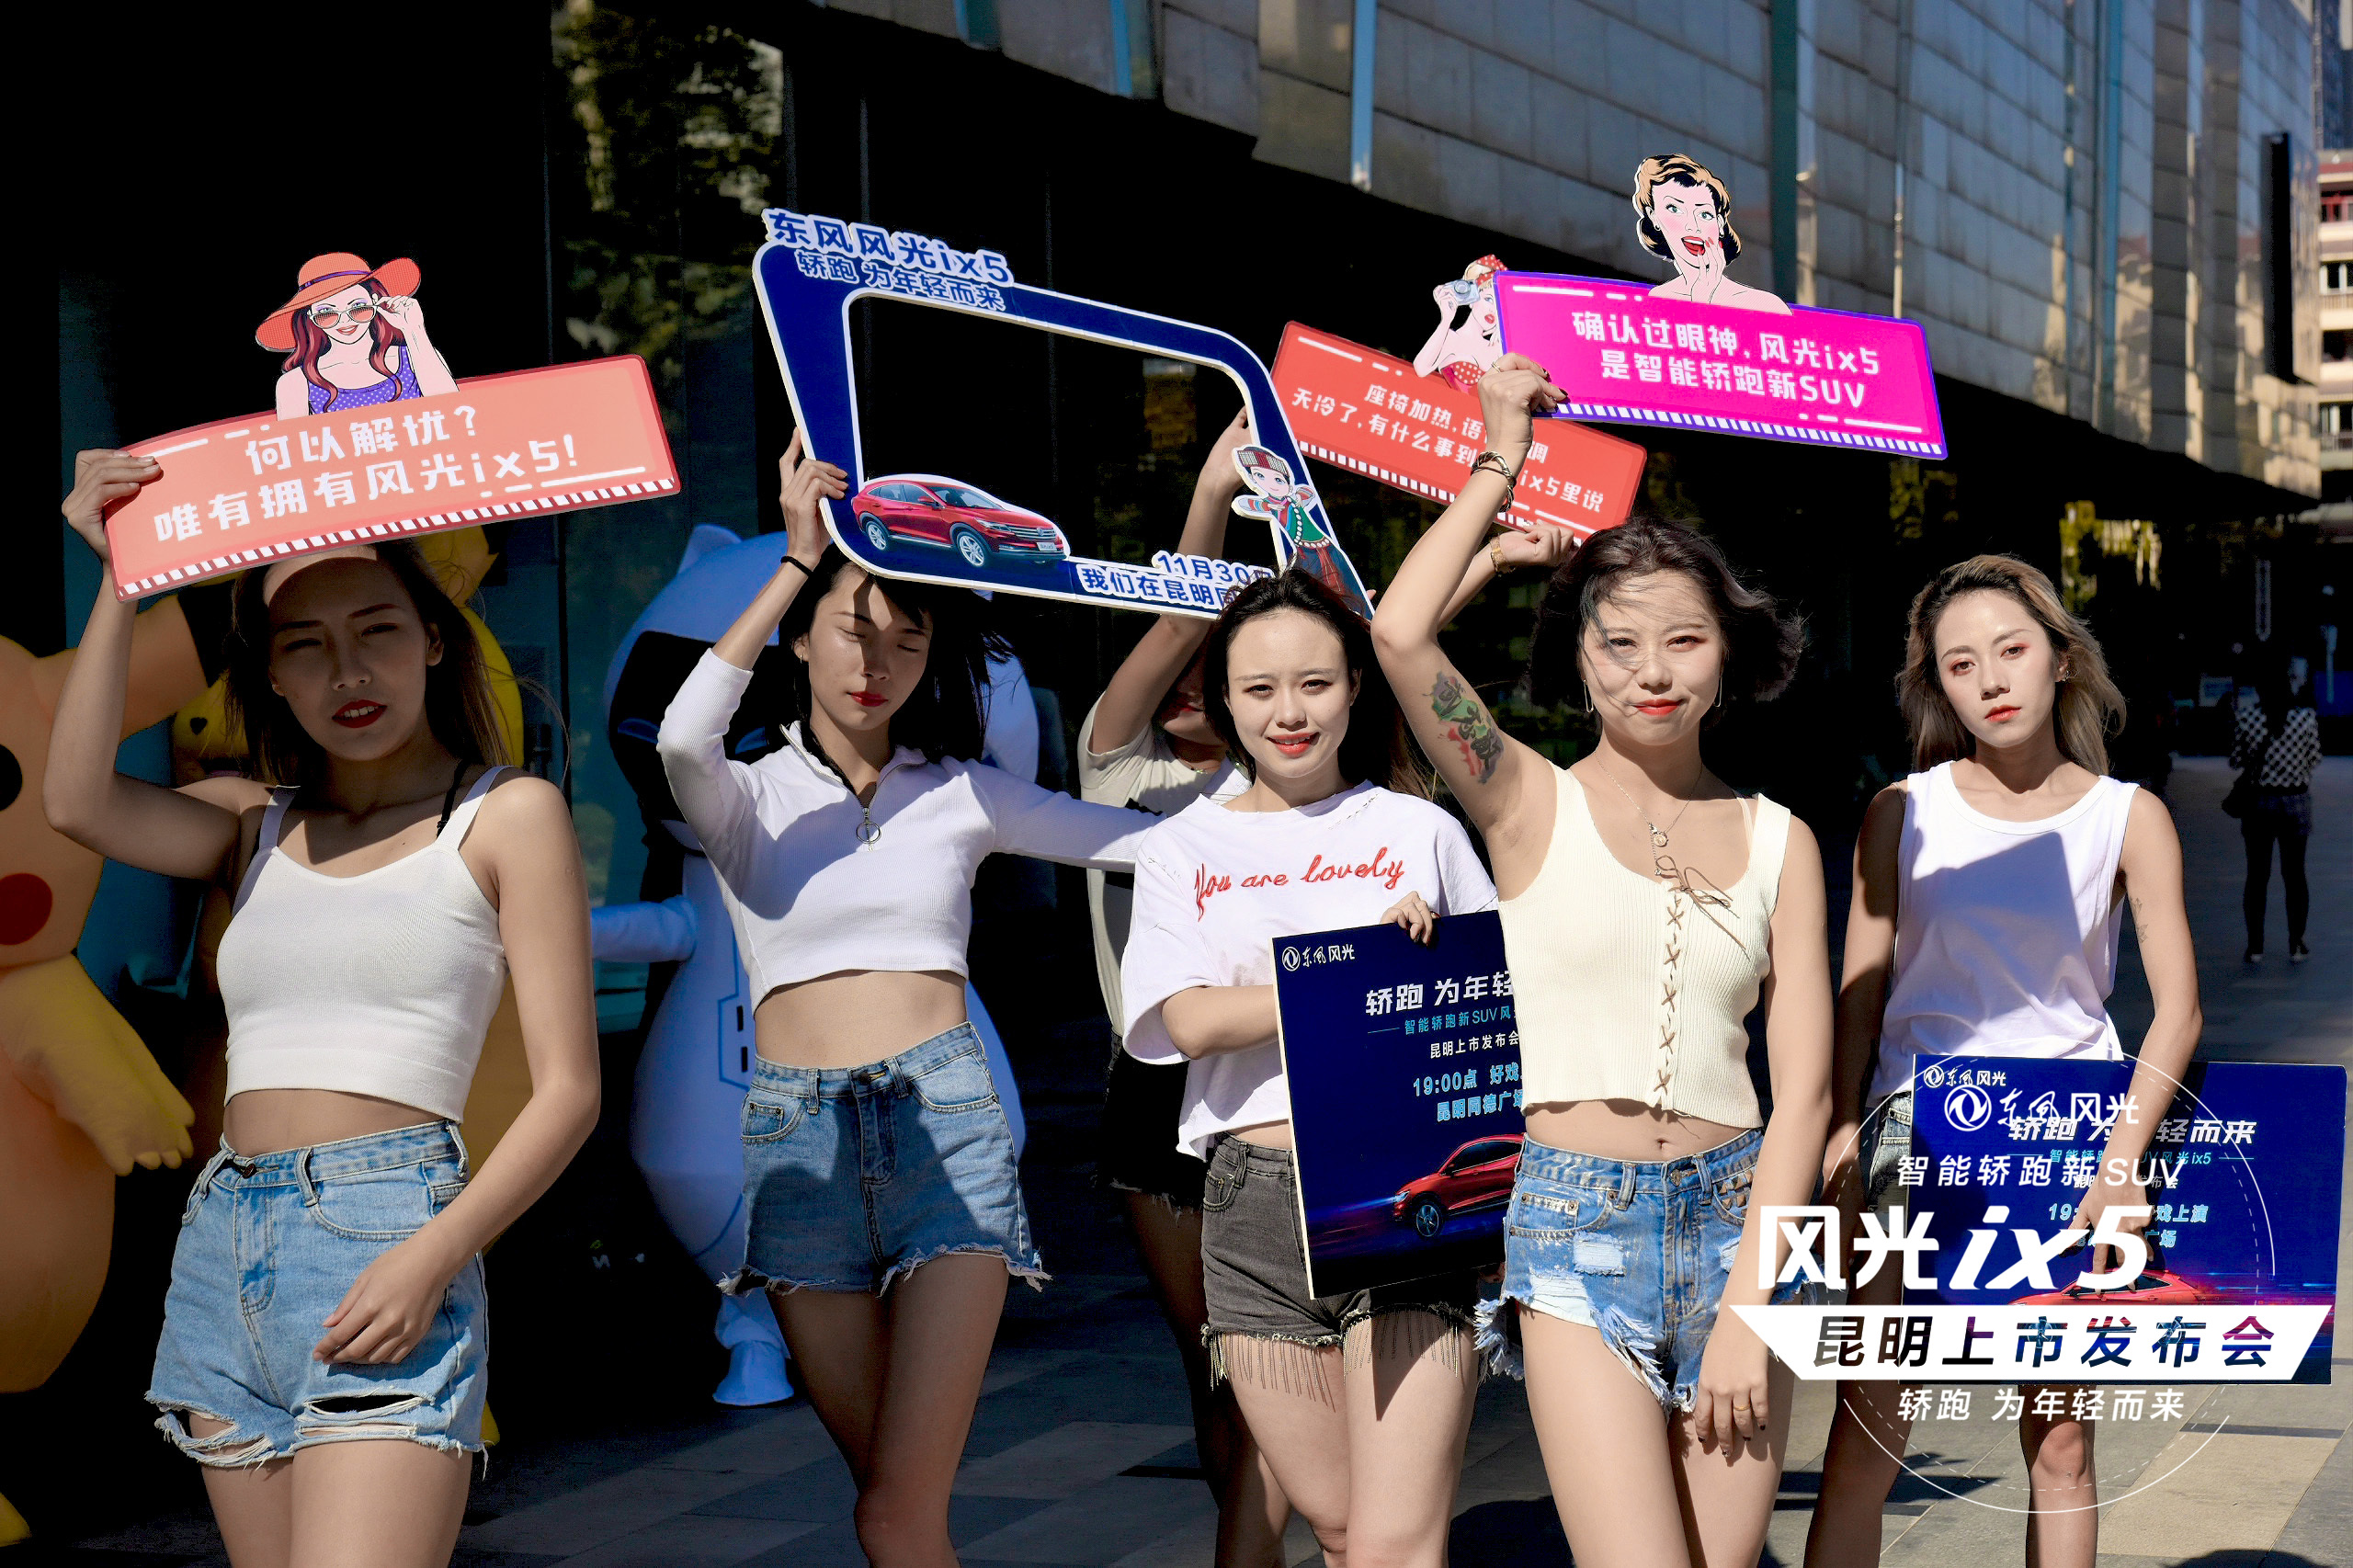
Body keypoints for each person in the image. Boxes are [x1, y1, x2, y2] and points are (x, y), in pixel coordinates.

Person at [45, 452, 601, 1568]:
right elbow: (73, 799)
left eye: (377, 628)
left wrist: (433, 1254)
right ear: (272, 676)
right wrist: (121, 579)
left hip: (389, 1230)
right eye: (305, 644)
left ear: (433, 637)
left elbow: (569, 1091)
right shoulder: (250, 824)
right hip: (223, 1243)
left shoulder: (506, 815)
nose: (348, 668)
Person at [654, 433, 1152, 1566]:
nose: (877, 658)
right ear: (798, 636)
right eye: (852, 627)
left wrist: (1343, 850)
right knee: (886, 1498)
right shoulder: (743, 798)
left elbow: (1142, 845)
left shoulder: (964, 792)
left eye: (908, 639)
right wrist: (796, 556)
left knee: (894, 1511)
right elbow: (683, 734)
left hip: (947, 1125)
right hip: (796, 1141)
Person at [1370, 353, 1832, 1567]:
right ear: (1579, 659)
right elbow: (1400, 631)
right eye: (1620, 644)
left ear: (1727, 651)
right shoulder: (1523, 800)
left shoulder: (1783, 840)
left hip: (1742, 1222)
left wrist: (1752, 1308)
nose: (1653, 672)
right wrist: (1499, 457)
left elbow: (1805, 1096)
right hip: (1574, 1229)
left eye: (1683, 639)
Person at [1803, 555, 2202, 1568]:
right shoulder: (1903, 809)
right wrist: (1842, 1131)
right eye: (1960, 663)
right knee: (1870, 1422)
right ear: (1937, 686)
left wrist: (2121, 1166)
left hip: (2066, 1140)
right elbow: (1859, 994)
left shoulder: (2128, 816)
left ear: (2060, 658)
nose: (1990, 679)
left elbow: (2178, 1013)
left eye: (2012, 649)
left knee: (2062, 1440)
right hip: (1913, 1137)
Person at [1120, 569, 1498, 1567]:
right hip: (1249, 1206)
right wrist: (1361, 973)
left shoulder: (1419, 829)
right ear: (1222, 698)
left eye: (1315, 683)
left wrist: (1412, 971)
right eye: (1259, 689)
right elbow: (1188, 1020)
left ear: (1355, 688)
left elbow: (1497, 1003)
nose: (1289, 713)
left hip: (1404, 1190)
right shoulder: (1177, 848)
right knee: (1335, 1524)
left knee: (1394, 1542)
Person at [259, 253, 458, 419]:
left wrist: (414, 330)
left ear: (377, 303)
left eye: (358, 307)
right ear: (310, 318)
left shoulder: (417, 357)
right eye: (327, 313)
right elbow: (294, 446)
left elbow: (453, 414)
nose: (345, 321)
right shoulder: (295, 382)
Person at [2232, 653, 2319, 964]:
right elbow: (2314, 759)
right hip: (2295, 802)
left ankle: (2255, 946)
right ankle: (2296, 943)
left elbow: (2237, 759)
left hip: (2259, 803)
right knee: (2295, 875)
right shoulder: (2305, 718)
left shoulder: (2247, 718)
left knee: (2257, 876)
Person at [1631, 154, 1791, 314]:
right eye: (1675, 209)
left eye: (1704, 214)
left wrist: (1703, 303)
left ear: (1720, 223)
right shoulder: (1657, 300)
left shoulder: (1765, 306)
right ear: (1653, 216)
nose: (1692, 226)